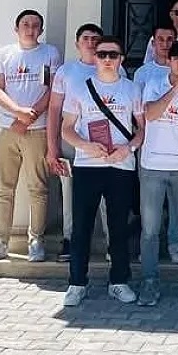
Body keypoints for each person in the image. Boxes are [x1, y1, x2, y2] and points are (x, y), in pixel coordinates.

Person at [59, 36, 141, 307]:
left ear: (121, 59)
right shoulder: (80, 88)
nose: (107, 59)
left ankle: (119, 281)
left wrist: (128, 149)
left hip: (120, 166)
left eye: (113, 55)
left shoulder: (131, 89)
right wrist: (85, 145)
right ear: (95, 57)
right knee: (82, 227)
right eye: (102, 54)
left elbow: (142, 129)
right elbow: (66, 128)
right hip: (87, 165)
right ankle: (76, 283)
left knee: (118, 227)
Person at [0, 9, 63, 263]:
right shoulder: (4, 53)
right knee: (3, 188)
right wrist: (18, 112)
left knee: (38, 187)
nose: (30, 29)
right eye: (25, 24)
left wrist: (30, 115)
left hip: (37, 130)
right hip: (5, 128)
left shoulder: (50, 53)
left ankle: (36, 240)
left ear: (41, 30)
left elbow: (52, 89)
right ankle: (0, 240)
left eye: (35, 25)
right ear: (16, 29)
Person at [47, 23, 126, 262]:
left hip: (110, 143)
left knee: (108, 197)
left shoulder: (117, 69)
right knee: (71, 195)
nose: (90, 43)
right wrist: (52, 148)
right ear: (77, 43)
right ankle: (71, 240)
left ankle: (113, 243)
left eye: (95, 39)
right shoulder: (66, 71)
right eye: (86, 38)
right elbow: (54, 110)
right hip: (74, 140)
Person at [138, 40, 178, 306]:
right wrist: (175, 89)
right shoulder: (154, 83)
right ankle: (149, 281)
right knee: (150, 229)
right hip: (153, 165)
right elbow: (150, 114)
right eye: (177, 59)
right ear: (169, 61)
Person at [133, 26, 178, 263]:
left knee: (176, 202)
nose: (165, 43)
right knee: (150, 203)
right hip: (150, 144)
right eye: (160, 39)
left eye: (169, 39)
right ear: (153, 42)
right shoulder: (143, 72)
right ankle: (150, 247)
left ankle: (174, 243)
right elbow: (137, 108)